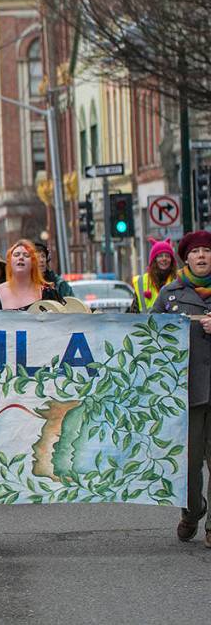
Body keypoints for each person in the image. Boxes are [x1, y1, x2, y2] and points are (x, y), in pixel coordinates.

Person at [152, 231, 211, 548]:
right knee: (188, 466)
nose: (202, 256)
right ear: (185, 258)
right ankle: (192, 511)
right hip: (185, 393)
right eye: (196, 251)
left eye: (207, 250)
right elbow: (147, 338)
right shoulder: (170, 295)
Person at [0, 240, 62, 310]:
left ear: (33, 263)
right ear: (9, 262)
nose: (21, 258)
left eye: (26, 255)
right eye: (16, 255)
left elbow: (64, 318)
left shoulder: (48, 293)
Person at [130, 238, 178, 313]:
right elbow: (133, 314)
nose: (164, 259)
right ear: (153, 260)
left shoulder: (179, 280)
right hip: (147, 324)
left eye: (167, 256)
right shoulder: (141, 282)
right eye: (160, 256)